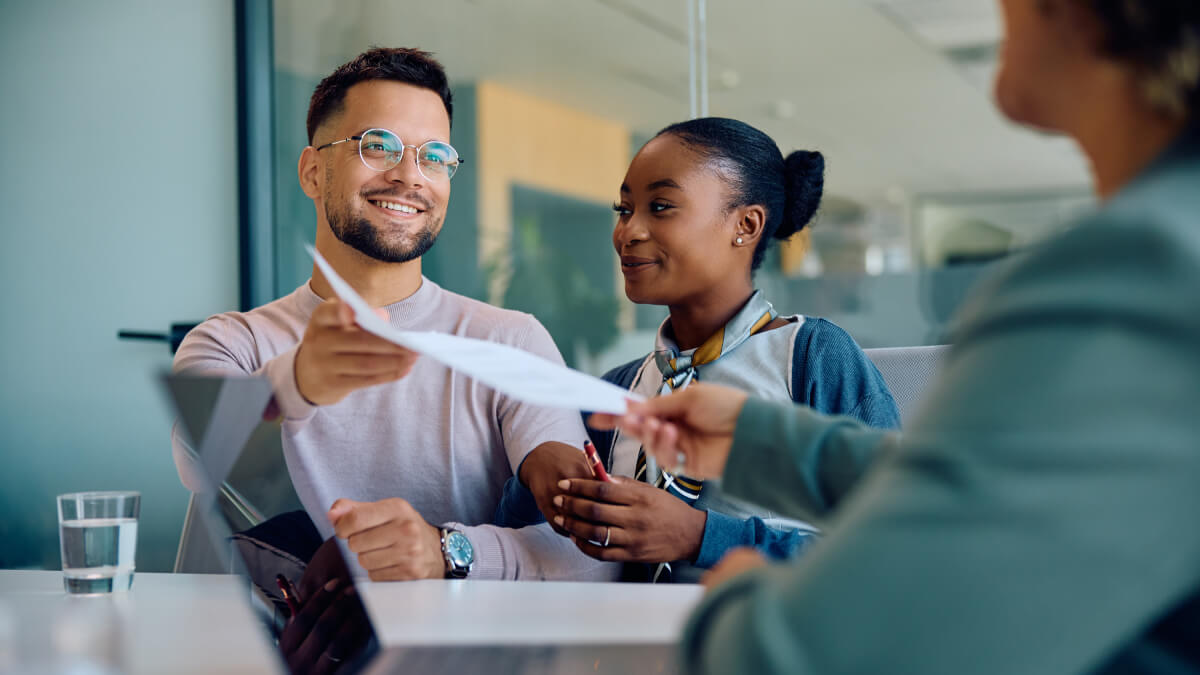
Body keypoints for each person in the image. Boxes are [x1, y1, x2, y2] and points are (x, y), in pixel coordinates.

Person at [590, 1, 1200, 672]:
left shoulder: (1140, 273)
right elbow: (995, 502)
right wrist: (759, 444)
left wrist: (730, 595)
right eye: (625, 208)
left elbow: (815, 651)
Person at [172, 47, 613, 582]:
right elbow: (201, 463)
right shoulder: (229, 342)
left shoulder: (509, 341)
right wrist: (301, 380)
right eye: (377, 146)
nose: (410, 176)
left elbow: (581, 556)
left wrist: (447, 551)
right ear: (313, 172)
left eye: (435, 157)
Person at [500, 118, 899, 583]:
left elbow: (898, 548)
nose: (627, 232)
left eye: (661, 206)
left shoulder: (813, 357)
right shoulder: (618, 390)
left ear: (746, 225)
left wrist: (700, 536)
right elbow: (518, 537)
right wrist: (536, 469)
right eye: (624, 208)